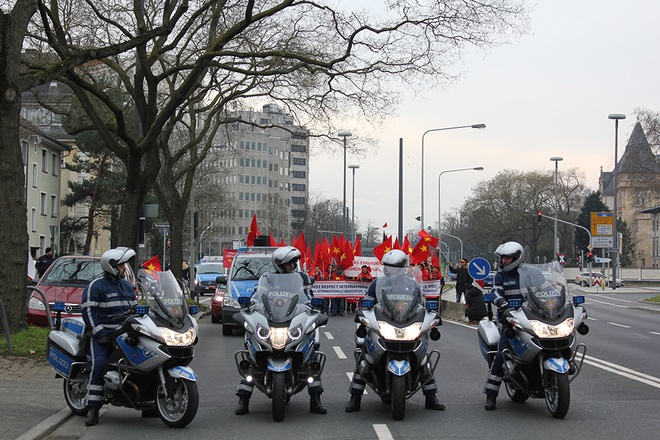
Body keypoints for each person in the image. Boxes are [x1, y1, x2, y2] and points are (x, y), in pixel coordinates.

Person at [345, 249, 445, 412]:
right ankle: (355, 398)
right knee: (366, 357)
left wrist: (430, 316)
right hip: (385, 322)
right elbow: (367, 302)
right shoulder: (377, 284)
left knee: (423, 359)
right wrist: (363, 313)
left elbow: (421, 304)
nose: (387, 269)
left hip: (406, 322)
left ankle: (431, 397)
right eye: (386, 265)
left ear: (401, 268)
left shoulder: (413, 285)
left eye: (391, 266)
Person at [235, 246, 327, 416]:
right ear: (279, 264)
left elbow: (308, 297)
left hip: (293, 318)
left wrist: (312, 307)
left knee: (311, 355)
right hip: (273, 319)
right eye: (289, 263)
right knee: (251, 357)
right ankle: (243, 400)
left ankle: (316, 400)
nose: (292, 266)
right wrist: (252, 306)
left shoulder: (302, 278)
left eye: (293, 263)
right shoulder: (267, 278)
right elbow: (257, 296)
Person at [81, 247, 138, 426]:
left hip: (125, 334)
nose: (124, 268)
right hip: (104, 335)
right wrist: (100, 334)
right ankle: (92, 408)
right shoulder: (95, 287)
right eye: (121, 266)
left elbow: (136, 310)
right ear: (111, 267)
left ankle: (149, 403)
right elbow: (89, 313)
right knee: (99, 363)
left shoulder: (127, 286)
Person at [483, 241, 527, 411]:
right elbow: (494, 292)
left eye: (507, 258)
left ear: (517, 258)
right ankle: (491, 395)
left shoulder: (530, 274)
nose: (503, 261)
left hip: (531, 318)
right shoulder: (501, 276)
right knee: (502, 352)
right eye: (502, 258)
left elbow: (544, 288)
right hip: (510, 319)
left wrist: (556, 298)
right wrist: (501, 301)